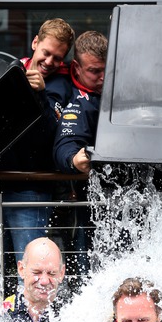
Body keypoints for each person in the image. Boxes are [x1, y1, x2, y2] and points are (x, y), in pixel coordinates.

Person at [0, 19, 75, 269]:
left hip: (31, 189)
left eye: (57, 58)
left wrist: (40, 94)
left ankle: (28, 310)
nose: (50, 62)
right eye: (46, 53)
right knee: (0, 272)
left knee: (29, 270)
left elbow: (50, 133)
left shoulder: (61, 85)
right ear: (35, 43)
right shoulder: (11, 70)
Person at [53, 30, 108, 269]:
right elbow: (65, 142)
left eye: (108, 70)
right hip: (85, 202)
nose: (104, 78)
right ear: (76, 67)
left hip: (124, 200)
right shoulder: (72, 96)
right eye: (95, 71)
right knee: (86, 268)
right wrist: (74, 159)